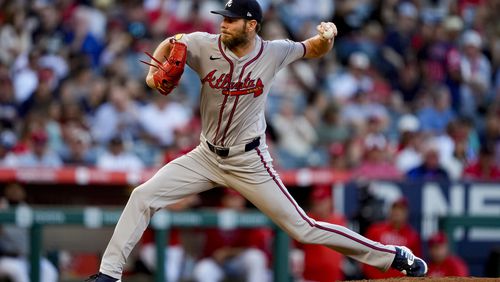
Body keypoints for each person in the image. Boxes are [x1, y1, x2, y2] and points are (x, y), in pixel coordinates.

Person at [87, 1, 427, 281]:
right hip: (205, 155)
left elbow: (314, 48)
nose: (224, 24)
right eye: (224, 17)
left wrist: (328, 34)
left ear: (252, 26)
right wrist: (152, 73)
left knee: (303, 228)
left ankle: (392, 256)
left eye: (233, 20)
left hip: (249, 161)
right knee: (143, 195)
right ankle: (109, 274)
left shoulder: (274, 52)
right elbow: (174, 42)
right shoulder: (205, 44)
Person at [193, 189, 271, 282]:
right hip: (218, 264)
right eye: (231, 198)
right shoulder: (214, 214)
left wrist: (228, 252)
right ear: (224, 200)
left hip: (239, 262)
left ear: (243, 200)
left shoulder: (249, 217)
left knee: (255, 257)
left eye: (237, 198)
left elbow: (255, 247)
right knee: (202, 269)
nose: (234, 202)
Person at [0, 183, 59, 282]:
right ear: (6, 194)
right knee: (20, 275)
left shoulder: (26, 209)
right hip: (9, 259)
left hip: (28, 258)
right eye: (12, 191)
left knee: (49, 271)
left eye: (18, 191)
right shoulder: (2, 208)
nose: (15, 193)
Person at [362, 197, 422, 279]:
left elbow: (416, 265)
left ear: (406, 213)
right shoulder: (375, 230)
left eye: (400, 209)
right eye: (394, 208)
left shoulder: (413, 236)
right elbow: (365, 256)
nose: (397, 212)